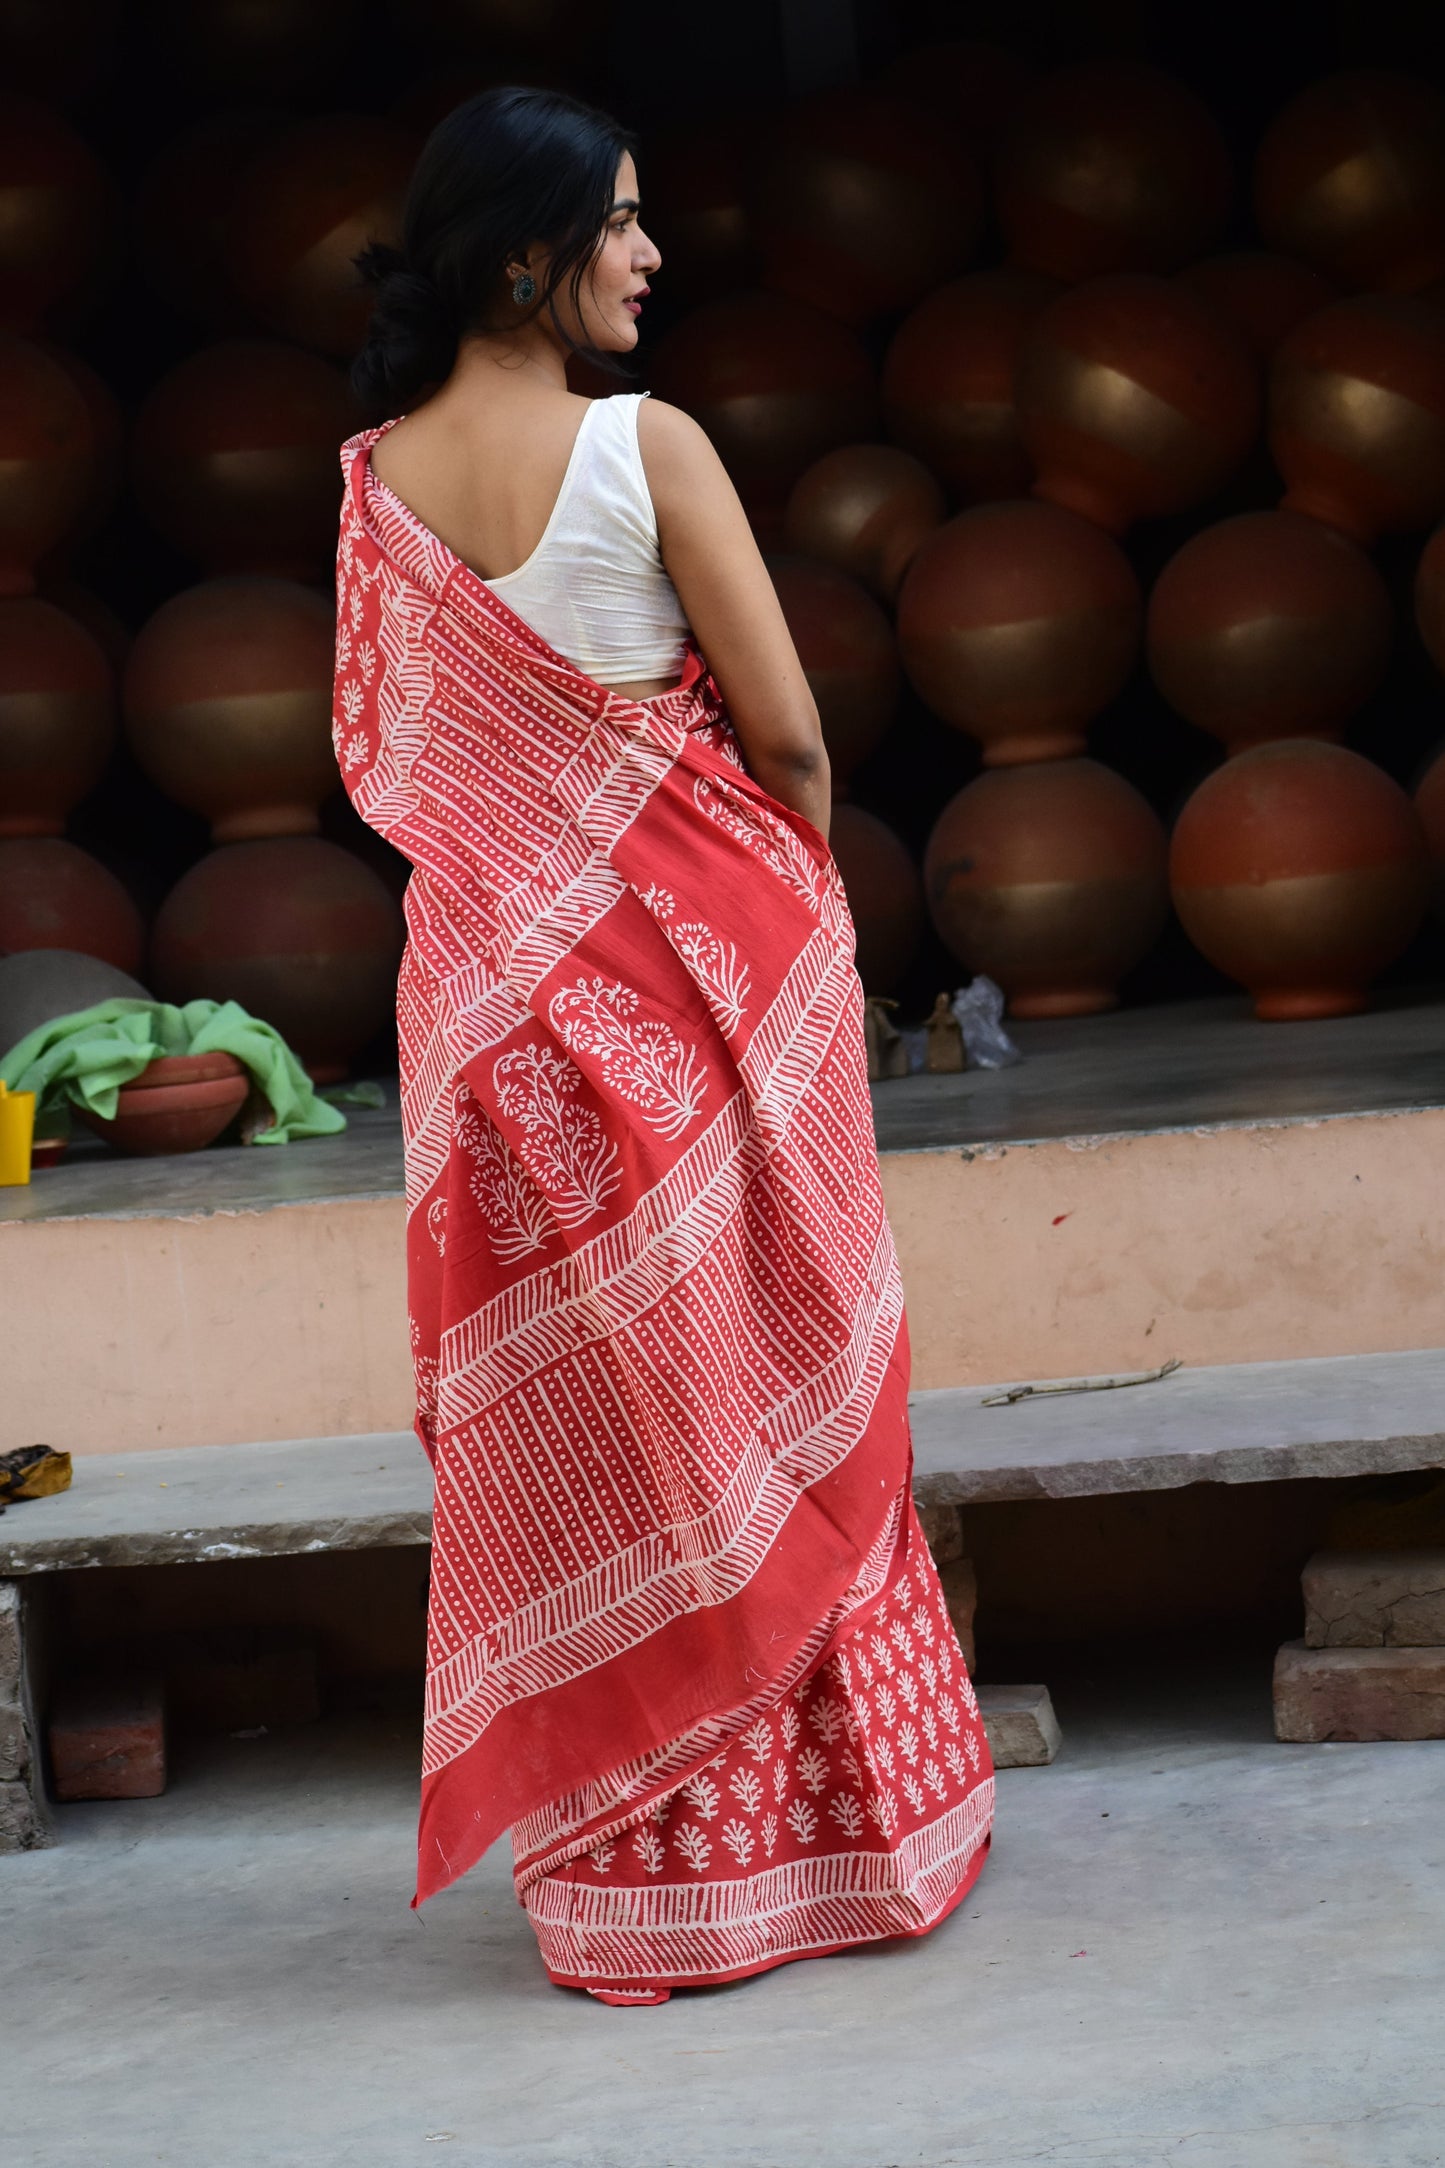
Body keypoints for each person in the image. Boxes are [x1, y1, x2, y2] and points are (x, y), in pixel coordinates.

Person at [335, 84, 993, 2005]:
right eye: (619, 224)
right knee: (762, 1383)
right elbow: (784, 739)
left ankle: (629, 1886)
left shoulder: (372, 482)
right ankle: (829, 1862)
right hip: (694, 1008)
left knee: (606, 1439)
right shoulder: (647, 448)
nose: (648, 255)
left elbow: (396, 769)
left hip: (495, 1040)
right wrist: (783, 928)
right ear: (524, 253)